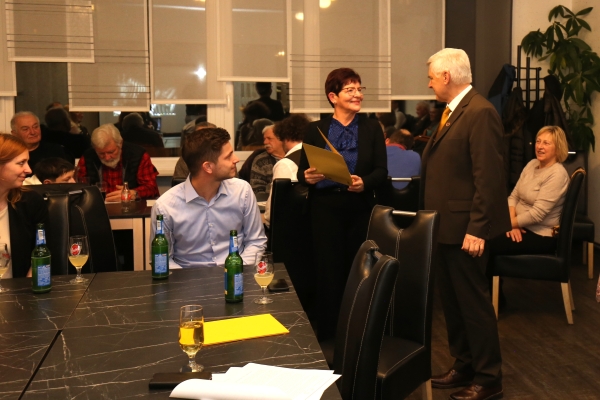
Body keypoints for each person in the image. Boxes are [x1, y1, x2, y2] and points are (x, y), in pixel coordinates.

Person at [422, 48, 510, 400]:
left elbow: (488, 178)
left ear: (446, 76)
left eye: (431, 77)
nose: (429, 83)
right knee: (454, 304)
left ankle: (489, 378)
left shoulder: (480, 112)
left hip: (465, 229)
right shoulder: (453, 111)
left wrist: (477, 228)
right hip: (445, 227)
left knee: (473, 306)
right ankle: (465, 364)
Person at [297, 67, 387, 341]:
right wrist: (308, 177)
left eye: (359, 89)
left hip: (359, 209)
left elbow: (381, 172)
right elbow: (302, 173)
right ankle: (328, 335)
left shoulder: (371, 128)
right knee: (327, 272)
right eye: (350, 89)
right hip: (324, 209)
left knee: (359, 271)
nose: (358, 94)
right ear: (333, 97)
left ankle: (358, 333)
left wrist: (364, 183)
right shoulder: (315, 129)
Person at [151, 127, 267, 268]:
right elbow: (162, 259)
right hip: (188, 278)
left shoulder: (242, 191)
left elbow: (256, 241)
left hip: (237, 274)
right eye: (228, 156)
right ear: (208, 167)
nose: (236, 159)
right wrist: (190, 279)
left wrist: (234, 270)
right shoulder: (165, 207)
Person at [489, 126, 570, 255]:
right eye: (538, 141)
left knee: (487, 239)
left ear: (558, 148)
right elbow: (514, 196)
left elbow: (537, 214)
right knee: (484, 233)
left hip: (540, 234)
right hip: (518, 225)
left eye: (546, 143)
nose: (540, 146)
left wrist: (507, 224)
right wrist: (512, 224)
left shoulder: (557, 174)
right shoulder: (532, 164)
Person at [0, 134, 48, 278]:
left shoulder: (30, 202)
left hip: (18, 289)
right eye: (21, 163)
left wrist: (25, 288)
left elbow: (42, 253)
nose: (29, 170)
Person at [76, 124, 159, 201]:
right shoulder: (87, 157)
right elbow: (78, 188)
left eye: (111, 152)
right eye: (101, 153)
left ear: (120, 143)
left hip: (132, 207)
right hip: (99, 206)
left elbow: (152, 188)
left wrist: (134, 193)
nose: (107, 158)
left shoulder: (138, 155)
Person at [264, 113, 311, 227]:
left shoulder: (285, 164)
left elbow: (274, 208)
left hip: (292, 228)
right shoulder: (318, 156)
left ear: (286, 137)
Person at [249, 123, 285, 195]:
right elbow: (257, 191)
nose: (265, 142)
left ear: (281, 139)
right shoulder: (261, 160)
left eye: (269, 138)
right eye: (264, 139)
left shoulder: (295, 156)